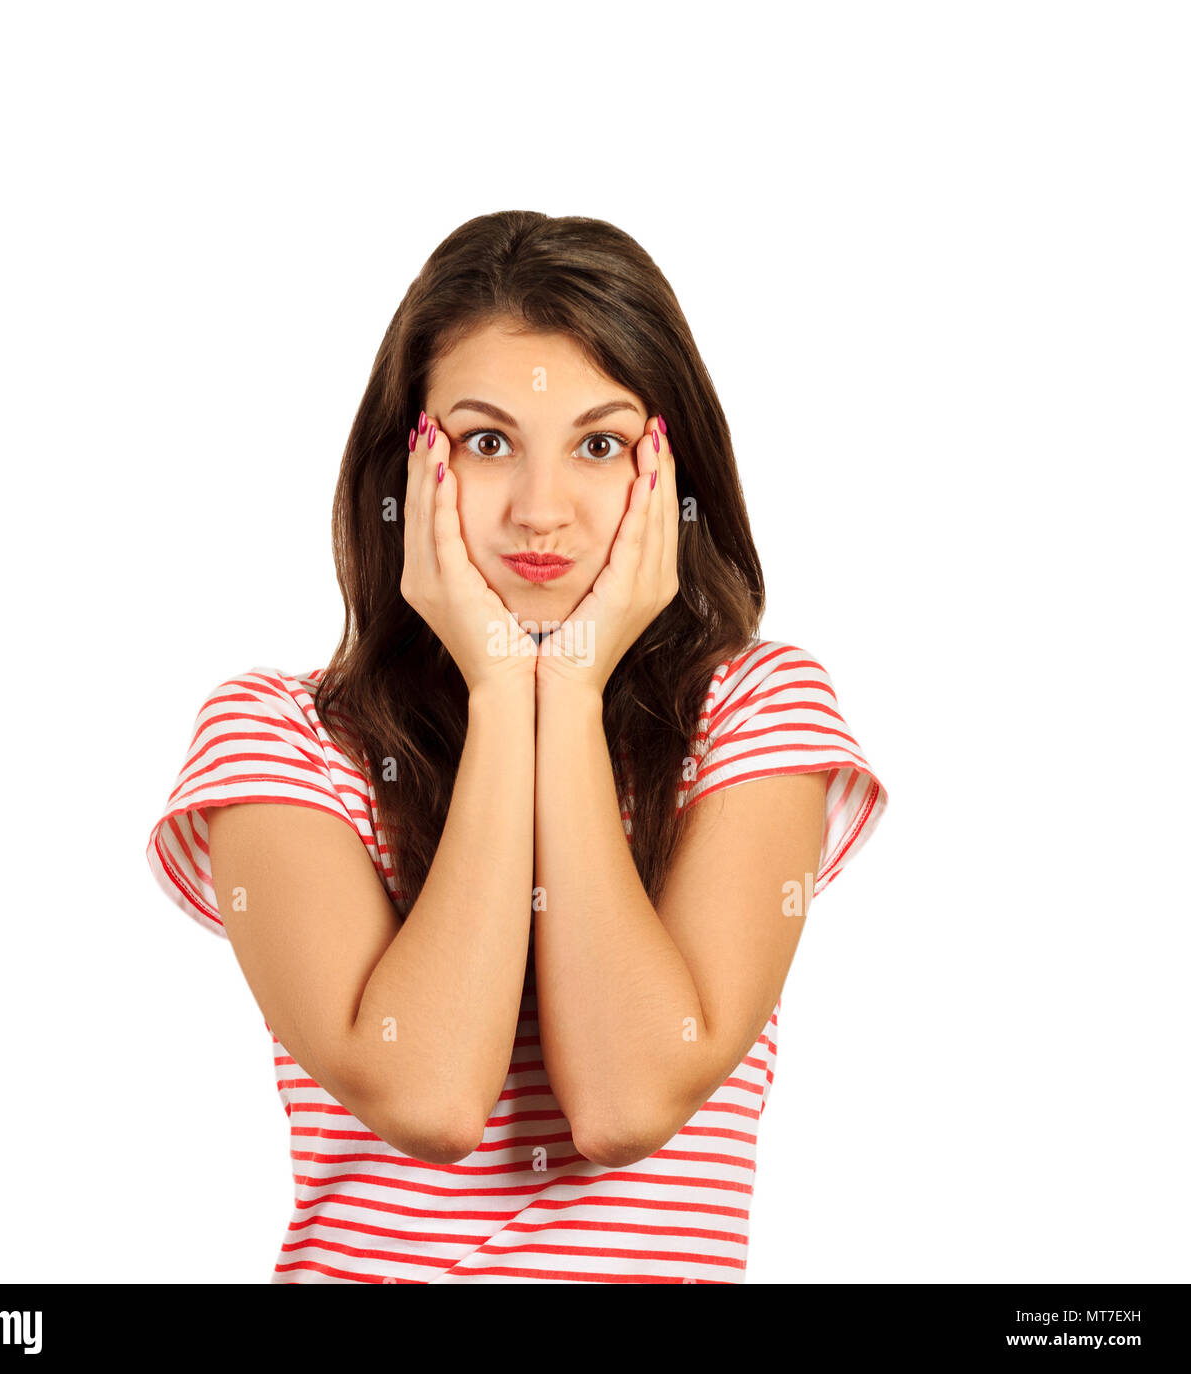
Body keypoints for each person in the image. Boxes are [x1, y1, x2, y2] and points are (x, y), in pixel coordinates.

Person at [145, 210, 888, 1283]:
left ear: (667, 474)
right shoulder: (278, 738)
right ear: (404, 468)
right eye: (487, 442)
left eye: (600, 445)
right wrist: (505, 694)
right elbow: (430, 1097)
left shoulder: (757, 712)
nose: (542, 512)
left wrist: (571, 693)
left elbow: (629, 1104)